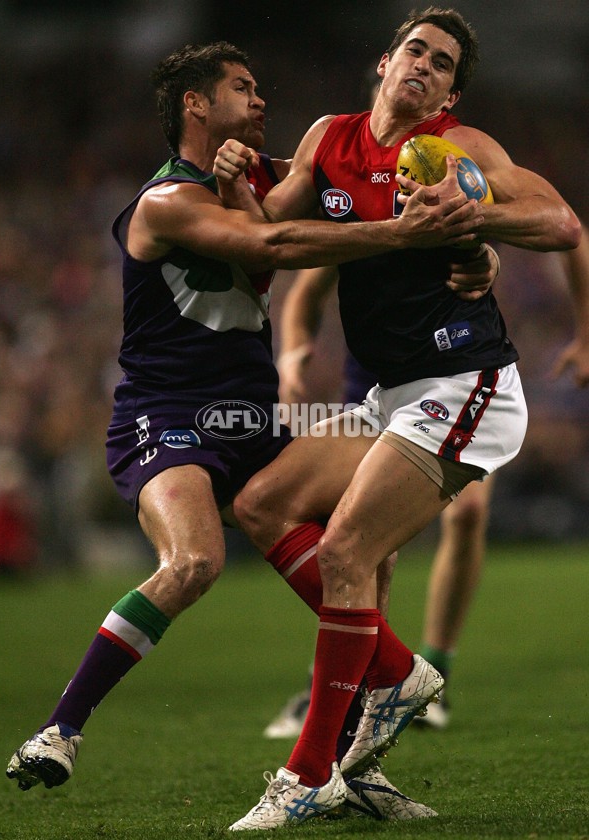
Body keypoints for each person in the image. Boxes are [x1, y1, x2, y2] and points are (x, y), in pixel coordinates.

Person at [5, 40, 486, 820]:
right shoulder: (164, 202)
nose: (262, 99)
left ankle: (355, 748)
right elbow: (272, 244)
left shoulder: (264, 179)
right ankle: (61, 728)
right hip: (168, 417)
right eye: (242, 87)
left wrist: (478, 258)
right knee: (195, 560)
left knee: (365, 531)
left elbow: (342, 200)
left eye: (262, 87)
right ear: (196, 105)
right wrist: (406, 237)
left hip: (258, 418)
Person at [213, 6, 580, 829]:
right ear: (383, 63)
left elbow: (560, 222)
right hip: (387, 397)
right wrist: (238, 170)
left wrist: (475, 218)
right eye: (414, 49)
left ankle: (308, 774)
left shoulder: (462, 152)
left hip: (466, 387)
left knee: (346, 551)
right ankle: (395, 676)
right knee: (261, 504)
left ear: (450, 92)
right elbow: (270, 224)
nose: (424, 65)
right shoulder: (330, 139)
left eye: (443, 63)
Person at [264, 219, 589, 739]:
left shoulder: (453, 208)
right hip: (375, 390)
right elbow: (307, 288)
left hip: (449, 388)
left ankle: (426, 670)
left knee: (454, 517)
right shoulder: (360, 218)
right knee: (348, 542)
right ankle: (370, 679)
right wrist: (292, 355)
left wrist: (581, 328)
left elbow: (564, 227)